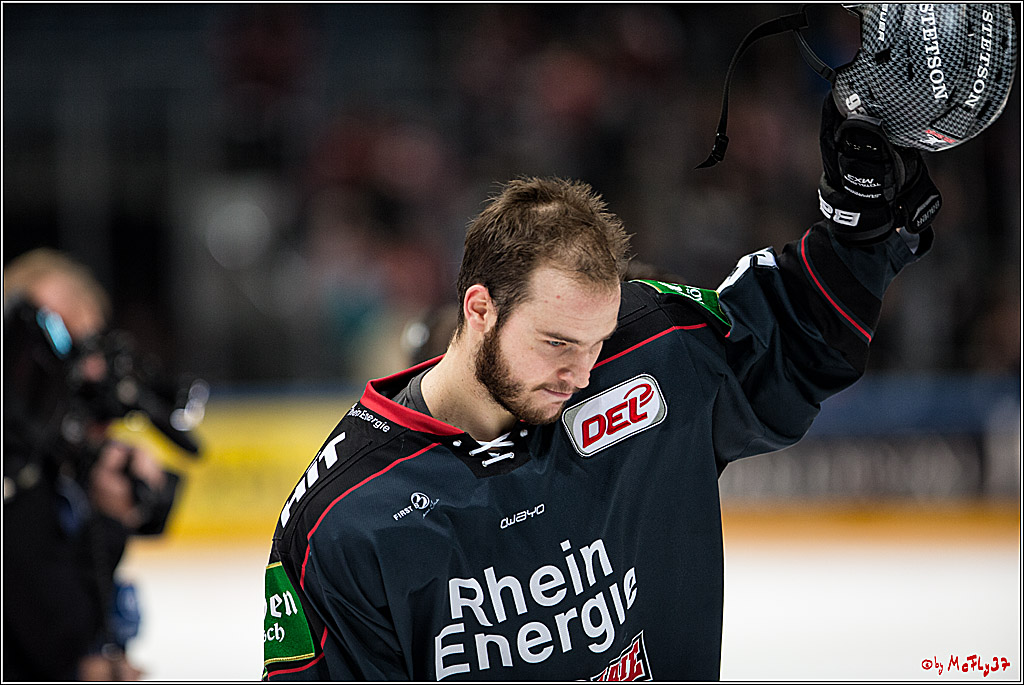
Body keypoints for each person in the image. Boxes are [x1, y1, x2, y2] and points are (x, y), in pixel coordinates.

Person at [262, 93, 938, 680]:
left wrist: (859, 212)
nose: (582, 374)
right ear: (479, 309)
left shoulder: (648, 354)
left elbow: (796, 335)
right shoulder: (341, 518)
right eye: (556, 342)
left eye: (597, 341)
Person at [3, 249, 168, 681]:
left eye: (88, 345)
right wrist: (110, 523)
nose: (85, 370)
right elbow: (58, 635)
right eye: (59, 340)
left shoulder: (59, 458)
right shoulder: (18, 471)